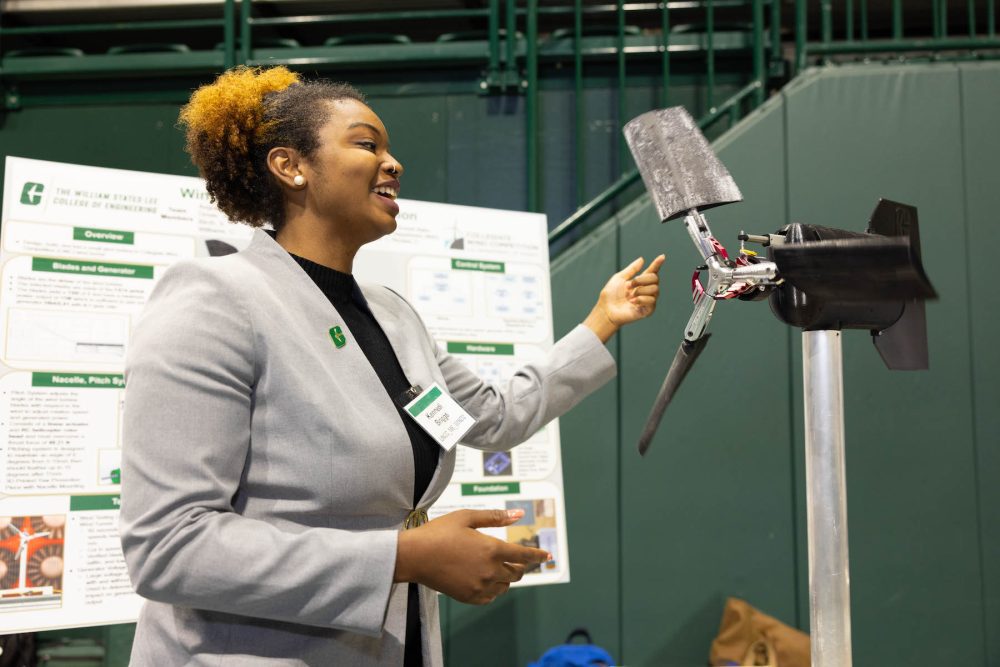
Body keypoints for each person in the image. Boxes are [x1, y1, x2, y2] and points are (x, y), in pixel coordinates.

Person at [119, 66, 666, 667]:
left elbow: (488, 416)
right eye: (366, 143)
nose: (392, 162)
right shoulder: (215, 299)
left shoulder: (392, 316)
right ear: (290, 166)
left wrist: (603, 321)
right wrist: (408, 557)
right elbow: (171, 547)